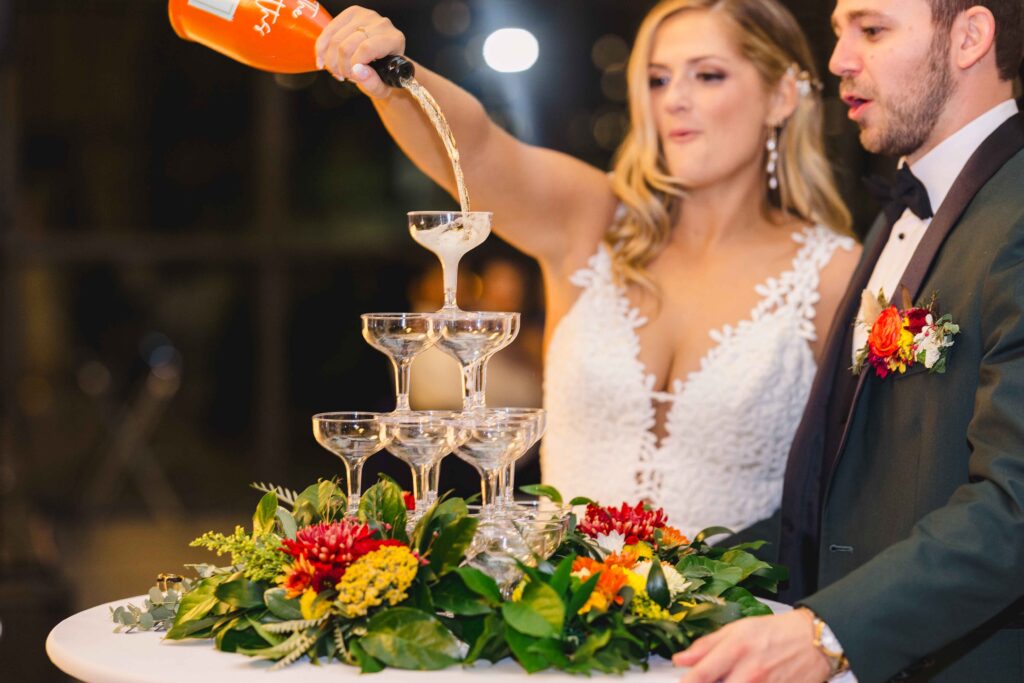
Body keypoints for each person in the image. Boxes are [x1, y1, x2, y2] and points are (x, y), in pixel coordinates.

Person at [315, 0, 859, 538]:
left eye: (708, 76)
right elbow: (478, 148)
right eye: (658, 80)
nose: (674, 101)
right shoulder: (591, 219)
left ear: (782, 95)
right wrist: (394, 74)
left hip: (737, 619)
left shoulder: (833, 272)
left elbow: (852, 492)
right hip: (550, 611)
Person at [674, 1, 1024, 681]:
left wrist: (831, 632)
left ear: (970, 38)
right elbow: (845, 487)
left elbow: (1015, 505)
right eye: (838, 33)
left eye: (871, 29)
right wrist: (675, 568)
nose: (837, 60)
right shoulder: (902, 214)